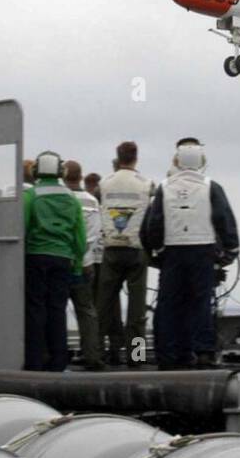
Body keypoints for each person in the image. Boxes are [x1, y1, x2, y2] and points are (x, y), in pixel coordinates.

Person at [140, 140, 239, 369]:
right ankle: (203, 352)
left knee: (168, 304)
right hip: (202, 250)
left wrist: (156, 252)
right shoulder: (211, 186)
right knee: (201, 302)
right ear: (202, 161)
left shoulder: (164, 187)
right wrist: (230, 251)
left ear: (176, 161)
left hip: (173, 251)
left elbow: (153, 224)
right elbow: (224, 220)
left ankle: (168, 355)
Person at [23, 151, 85, 371]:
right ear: (61, 171)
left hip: (35, 257)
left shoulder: (31, 196)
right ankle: (58, 362)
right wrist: (77, 266)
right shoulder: (71, 198)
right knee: (57, 310)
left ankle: (34, 360)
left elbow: (23, 227)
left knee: (35, 310)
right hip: (63, 259)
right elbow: (80, 237)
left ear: (36, 171)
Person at [97, 141, 156, 366]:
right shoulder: (146, 184)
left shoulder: (104, 184)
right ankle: (136, 357)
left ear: (117, 156)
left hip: (111, 250)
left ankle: (100, 354)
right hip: (137, 250)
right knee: (137, 311)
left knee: (103, 306)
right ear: (136, 158)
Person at [64, 160, 104, 370]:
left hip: (60, 261)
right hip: (85, 263)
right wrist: (82, 256)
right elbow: (94, 234)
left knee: (55, 309)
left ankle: (56, 356)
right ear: (80, 177)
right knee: (87, 311)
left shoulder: (62, 199)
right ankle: (93, 355)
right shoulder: (91, 201)